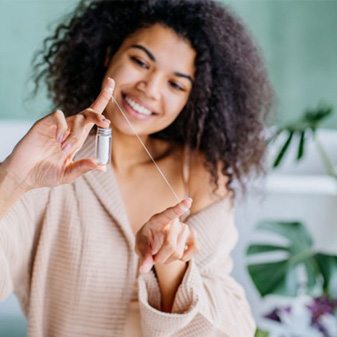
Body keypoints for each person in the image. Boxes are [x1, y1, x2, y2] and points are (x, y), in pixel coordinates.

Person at [0, 0, 272, 336]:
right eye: (140, 61)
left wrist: (172, 266)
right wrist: (11, 180)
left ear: (194, 99)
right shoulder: (55, 161)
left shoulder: (202, 178)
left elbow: (232, 329)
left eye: (176, 84)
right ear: (109, 54)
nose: (150, 88)